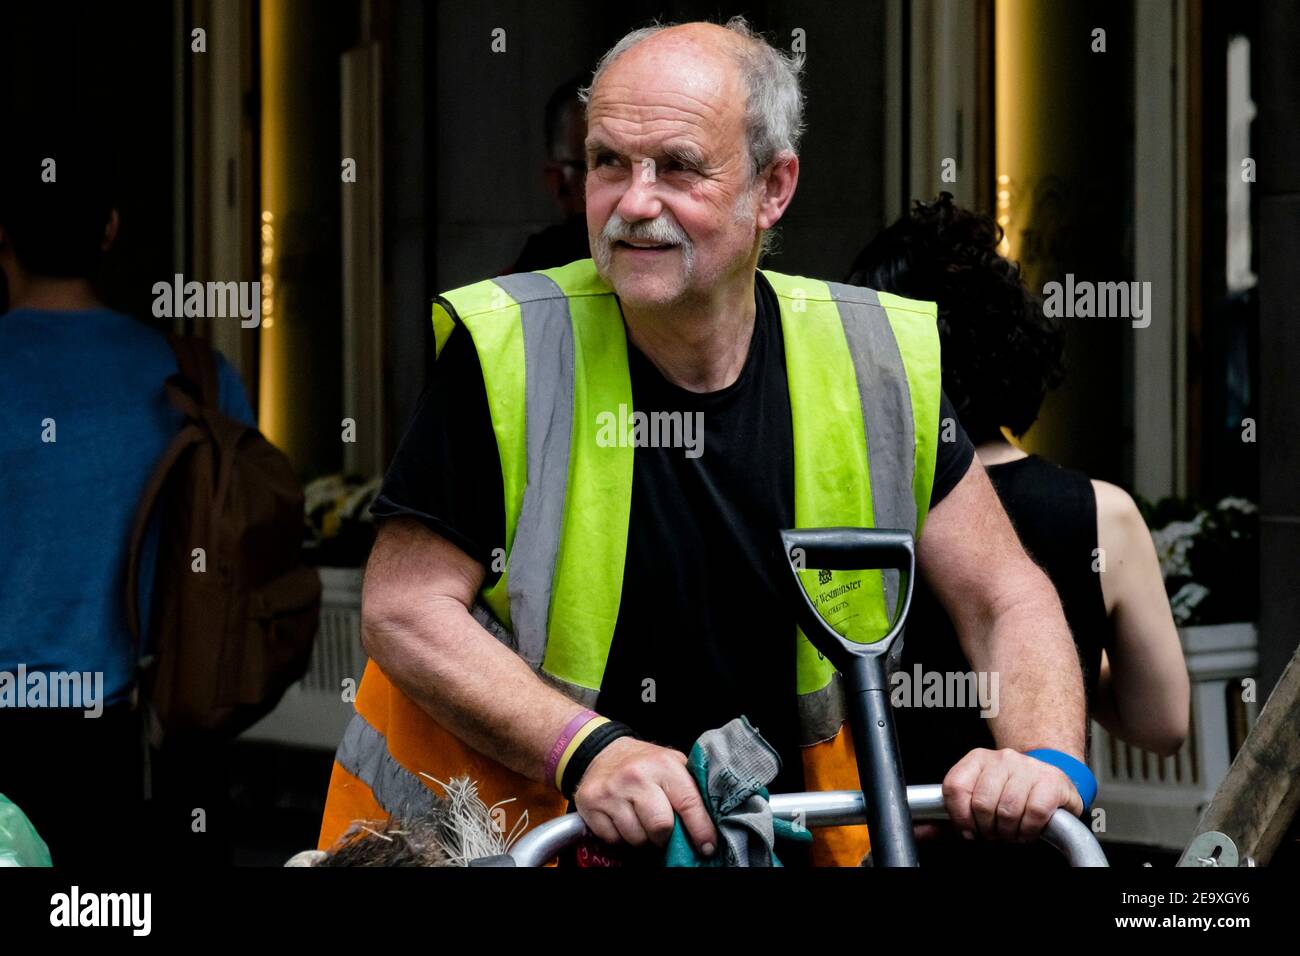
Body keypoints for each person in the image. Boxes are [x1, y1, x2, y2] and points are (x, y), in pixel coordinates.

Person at [321, 18, 1094, 868]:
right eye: (608, 162)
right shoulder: (510, 348)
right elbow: (404, 607)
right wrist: (589, 749)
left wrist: (1045, 761)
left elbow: (1005, 597)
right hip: (505, 843)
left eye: (679, 167)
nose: (634, 201)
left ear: (774, 187)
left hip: (771, 842)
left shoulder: (870, 357)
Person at [848, 193, 1189, 862]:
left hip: (886, 844)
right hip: (1046, 850)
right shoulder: (1102, 513)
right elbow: (1162, 723)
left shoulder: (852, 510)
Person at [0, 144, 255, 867]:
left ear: (1, 236)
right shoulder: (195, 378)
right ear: (110, 231)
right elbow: (250, 556)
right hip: (139, 733)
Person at [504, 73, 592, 274]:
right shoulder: (512, 297)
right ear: (558, 182)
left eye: (673, 166)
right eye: (607, 164)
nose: (635, 201)